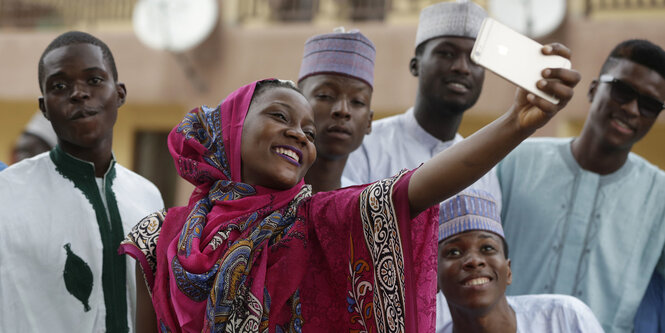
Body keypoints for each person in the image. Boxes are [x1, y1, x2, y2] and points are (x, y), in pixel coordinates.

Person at [120, 45, 579, 331]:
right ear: (233, 127)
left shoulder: (317, 218)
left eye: (309, 131)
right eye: (280, 117)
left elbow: (416, 188)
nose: (301, 134)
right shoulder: (160, 235)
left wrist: (515, 123)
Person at [0, 31, 164, 332]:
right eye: (60, 86)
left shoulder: (147, 196)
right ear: (44, 107)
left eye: (94, 80)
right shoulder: (7, 193)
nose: (78, 93)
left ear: (120, 93)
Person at [497, 39, 665, 333]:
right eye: (622, 91)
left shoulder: (659, 196)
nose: (632, 109)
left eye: (649, 105)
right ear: (593, 89)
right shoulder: (515, 162)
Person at [343, 0, 502, 211]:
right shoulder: (366, 147)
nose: (462, 67)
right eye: (446, 53)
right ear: (415, 65)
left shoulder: (484, 170)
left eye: (474, 58)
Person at [436, 190, 604, 332]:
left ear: (508, 271)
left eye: (487, 248)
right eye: (454, 252)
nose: (474, 261)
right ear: (434, 279)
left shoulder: (564, 318)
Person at [298, 28, 375, 193]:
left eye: (357, 101)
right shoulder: (262, 196)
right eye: (325, 96)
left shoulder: (361, 206)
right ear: (297, 104)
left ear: (369, 122)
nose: (342, 110)